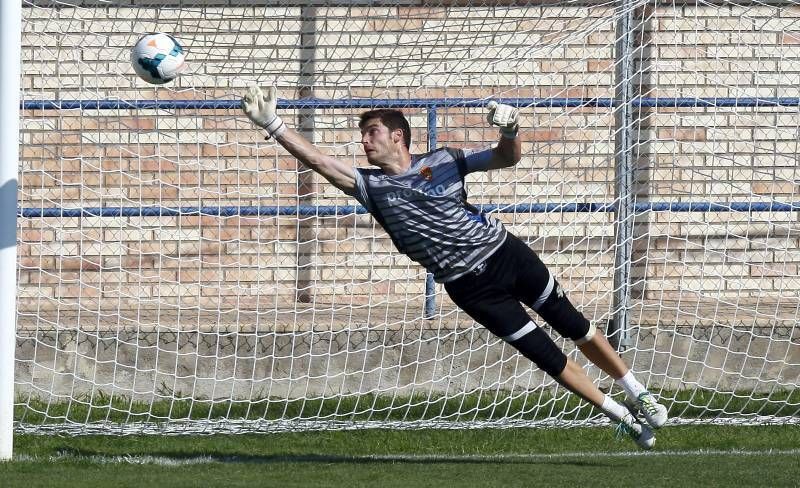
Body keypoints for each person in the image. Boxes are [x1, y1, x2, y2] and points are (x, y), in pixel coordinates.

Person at [241, 85, 668, 449]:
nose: (364, 142)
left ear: (398, 136)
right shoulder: (371, 187)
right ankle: (620, 416)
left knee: (574, 324)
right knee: (546, 357)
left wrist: (511, 129)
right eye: (362, 135)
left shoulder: (444, 160)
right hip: (469, 287)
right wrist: (274, 125)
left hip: (505, 254)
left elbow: (507, 158)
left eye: (371, 133)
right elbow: (319, 161)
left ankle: (638, 393)